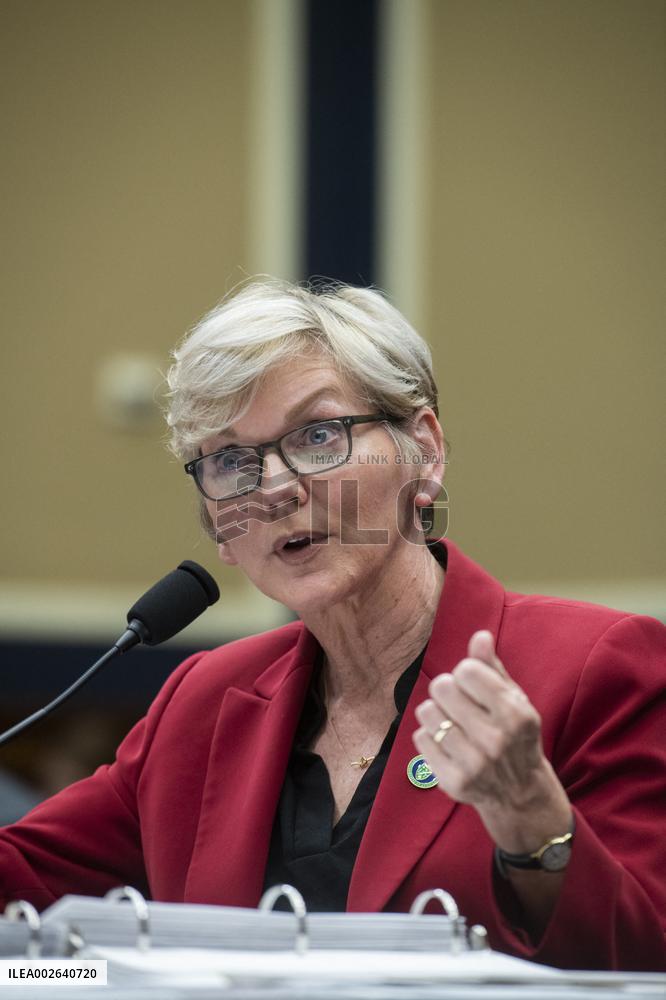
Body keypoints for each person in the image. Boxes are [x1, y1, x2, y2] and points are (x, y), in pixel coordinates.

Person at [1, 279, 664, 971]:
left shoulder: (595, 667)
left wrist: (535, 822)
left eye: (318, 436)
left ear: (425, 452)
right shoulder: (202, 704)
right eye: (231, 461)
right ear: (220, 531)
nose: (276, 487)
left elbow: (647, 960)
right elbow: (20, 876)